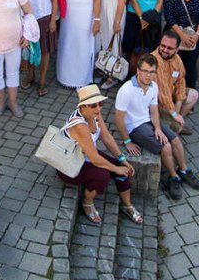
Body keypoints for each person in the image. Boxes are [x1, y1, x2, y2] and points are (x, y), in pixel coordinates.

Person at [114, 54, 199, 201]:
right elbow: (118, 119)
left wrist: (158, 128)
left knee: (175, 139)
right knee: (166, 146)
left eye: (151, 72)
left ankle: (184, 170)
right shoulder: (126, 90)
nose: (148, 75)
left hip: (148, 119)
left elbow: (154, 110)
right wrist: (127, 141)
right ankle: (173, 178)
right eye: (145, 71)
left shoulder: (154, 86)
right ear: (138, 71)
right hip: (135, 127)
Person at [55, 85, 142, 224]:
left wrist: (122, 159)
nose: (98, 108)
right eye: (93, 105)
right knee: (103, 175)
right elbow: (95, 159)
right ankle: (87, 203)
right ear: (82, 107)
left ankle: (127, 206)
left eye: (100, 103)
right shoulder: (79, 125)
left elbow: (106, 136)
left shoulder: (94, 114)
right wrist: (116, 168)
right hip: (69, 165)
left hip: (86, 156)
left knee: (121, 169)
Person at [14, 0, 58, 96]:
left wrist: (53, 20)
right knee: (29, 49)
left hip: (44, 17)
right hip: (26, 18)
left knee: (45, 51)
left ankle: (43, 80)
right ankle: (31, 75)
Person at [57, 0, 101, 88]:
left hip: (86, 17)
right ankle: (65, 76)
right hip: (68, 17)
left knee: (83, 47)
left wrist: (96, 19)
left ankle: (82, 79)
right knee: (67, 45)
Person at [152, 31, 199, 136]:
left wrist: (177, 109)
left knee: (194, 94)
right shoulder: (155, 61)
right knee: (175, 132)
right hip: (157, 102)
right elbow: (163, 94)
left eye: (169, 48)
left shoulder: (176, 59)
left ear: (177, 49)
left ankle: (176, 122)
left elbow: (181, 81)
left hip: (170, 96)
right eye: (163, 46)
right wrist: (174, 113)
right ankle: (173, 127)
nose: (164, 50)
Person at [97, 0, 129, 89]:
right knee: (103, 39)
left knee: (114, 41)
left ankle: (113, 74)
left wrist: (117, 21)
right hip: (102, 11)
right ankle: (104, 68)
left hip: (114, 11)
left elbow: (122, 0)